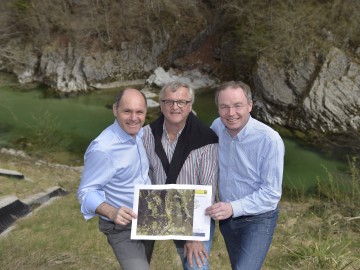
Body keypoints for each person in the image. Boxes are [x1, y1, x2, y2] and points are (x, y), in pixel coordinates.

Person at [205, 81, 285, 270]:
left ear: (250, 105)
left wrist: (233, 207)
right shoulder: (217, 126)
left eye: (237, 105)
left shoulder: (269, 140)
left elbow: (271, 194)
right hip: (227, 219)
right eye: (224, 107)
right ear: (218, 109)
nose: (231, 113)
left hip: (259, 218)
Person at [142, 81, 218, 269]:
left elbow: (207, 190)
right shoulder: (146, 134)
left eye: (181, 102)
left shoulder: (206, 138)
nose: (175, 107)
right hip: (158, 209)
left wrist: (194, 236)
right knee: (139, 261)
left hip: (194, 214)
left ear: (190, 105)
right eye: (169, 102)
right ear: (161, 105)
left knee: (195, 265)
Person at [77, 88, 154, 270]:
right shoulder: (103, 149)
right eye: (127, 111)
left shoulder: (141, 134)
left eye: (139, 112)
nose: (134, 118)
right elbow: (85, 192)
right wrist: (112, 212)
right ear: (115, 110)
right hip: (121, 227)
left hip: (147, 220)